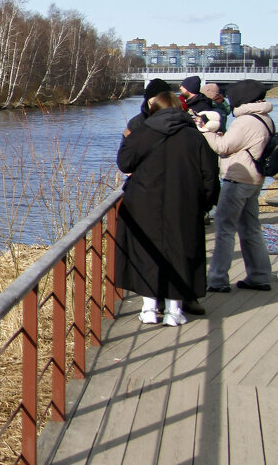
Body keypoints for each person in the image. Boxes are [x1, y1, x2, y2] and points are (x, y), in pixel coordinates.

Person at [117, 90, 220, 326]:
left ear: (153, 110)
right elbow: (210, 175)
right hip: (183, 204)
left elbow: (124, 163)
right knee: (181, 253)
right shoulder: (194, 137)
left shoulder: (141, 133)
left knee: (145, 253)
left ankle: (149, 308)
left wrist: (128, 136)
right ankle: (175, 310)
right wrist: (205, 204)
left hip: (142, 203)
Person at [200, 79, 276, 292]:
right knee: (250, 228)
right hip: (255, 179)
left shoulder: (244, 121)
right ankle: (260, 275)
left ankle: (217, 279)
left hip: (237, 180)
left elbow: (222, 147)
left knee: (224, 229)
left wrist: (206, 130)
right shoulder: (265, 118)